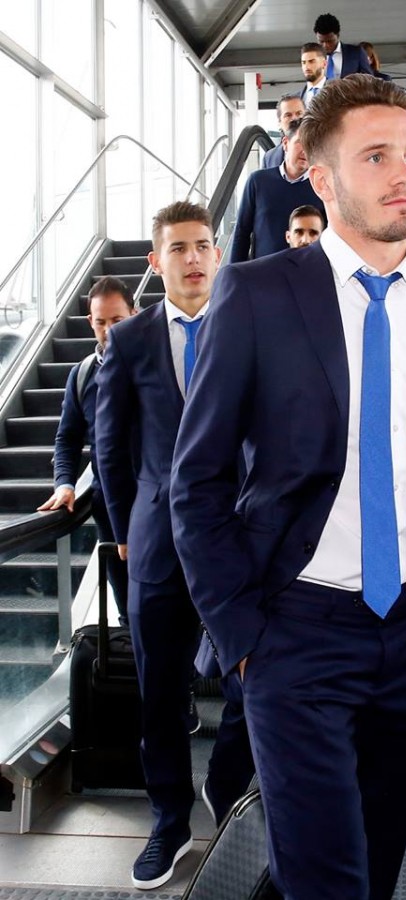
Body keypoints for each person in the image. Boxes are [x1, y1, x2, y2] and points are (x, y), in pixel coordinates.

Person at [170, 75, 406, 900]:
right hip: (295, 632)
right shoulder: (256, 294)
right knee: (329, 881)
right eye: (377, 156)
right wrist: (243, 634)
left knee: (374, 868)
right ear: (321, 178)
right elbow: (198, 479)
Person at [95, 201, 220, 891]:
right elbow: (110, 447)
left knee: (261, 683)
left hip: (239, 542)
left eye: (203, 245)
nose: (193, 258)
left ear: (218, 253)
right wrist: (123, 531)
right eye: (179, 248)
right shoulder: (131, 340)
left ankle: (226, 784)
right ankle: (169, 821)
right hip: (157, 545)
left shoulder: (249, 323)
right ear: (156, 260)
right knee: (161, 696)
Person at [37, 276, 135, 625]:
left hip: (160, 504)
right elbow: (67, 438)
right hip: (109, 509)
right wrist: (65, 483)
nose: (109, 331)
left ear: (134, 314)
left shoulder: (154, 366)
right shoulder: (82, 376)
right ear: (90, 322)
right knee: (128, 608)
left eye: (117, 320)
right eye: (100, 322)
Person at [229, 119, 325, 263]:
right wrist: (233, 272)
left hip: (306, 271)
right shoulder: (258, 181)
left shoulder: (321, 186)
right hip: (263, 271)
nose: (305, 150)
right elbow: (241, 232)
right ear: (285, 143)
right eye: (300, 142)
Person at [313, 12, 373, 78]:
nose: (325, 45)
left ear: (338, 35)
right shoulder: (312, 57)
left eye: (330, 41)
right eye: (321, 41)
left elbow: (369, 80)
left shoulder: (356, 53)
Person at [262, 94, 305, 169]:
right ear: (279, 122)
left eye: (299, 113)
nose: (294, 118)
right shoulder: (269, 158)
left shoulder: (321, 152)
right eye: (288, 115)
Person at [299, 42, 327, 106]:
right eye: (304, 62)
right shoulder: (297, 98)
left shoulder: (336, 92)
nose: (307, 67)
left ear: (324, 64)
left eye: (311, 62)